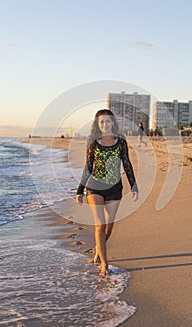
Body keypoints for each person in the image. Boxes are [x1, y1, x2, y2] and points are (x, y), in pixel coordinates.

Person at [76, 109, 138, 275]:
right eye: (101, 122)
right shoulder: (93, 141)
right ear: (97, 124)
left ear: (113, 123)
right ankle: (104, 264)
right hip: (94, 187)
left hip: (114, 189)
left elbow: (127, 164)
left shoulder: (121, 142)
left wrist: (134, 186)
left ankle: (98, 249)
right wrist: (80, 190)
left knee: (108, 229)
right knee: (100, 225)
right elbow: (88, 166)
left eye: (108, 121)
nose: (105, 124)